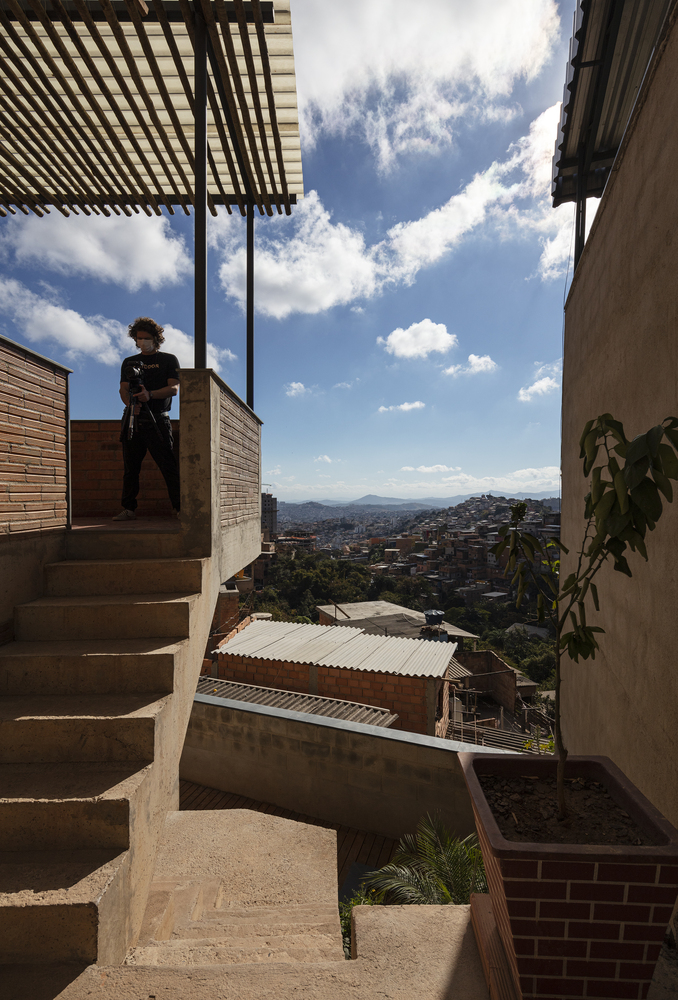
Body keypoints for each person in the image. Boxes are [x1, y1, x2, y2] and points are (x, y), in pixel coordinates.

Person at [113, 317, 181, 521]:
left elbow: (174, 388)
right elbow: (123, 389)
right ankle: (128, 508)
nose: (142, 341)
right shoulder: (129, 362)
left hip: (158, 419)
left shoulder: (168, 360)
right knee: (130, 468)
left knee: (168, 466)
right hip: (134, 419)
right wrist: (131, 404)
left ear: (156, 339)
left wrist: (150, 395)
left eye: (147, 338)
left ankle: (179, 508)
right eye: (139, 338)